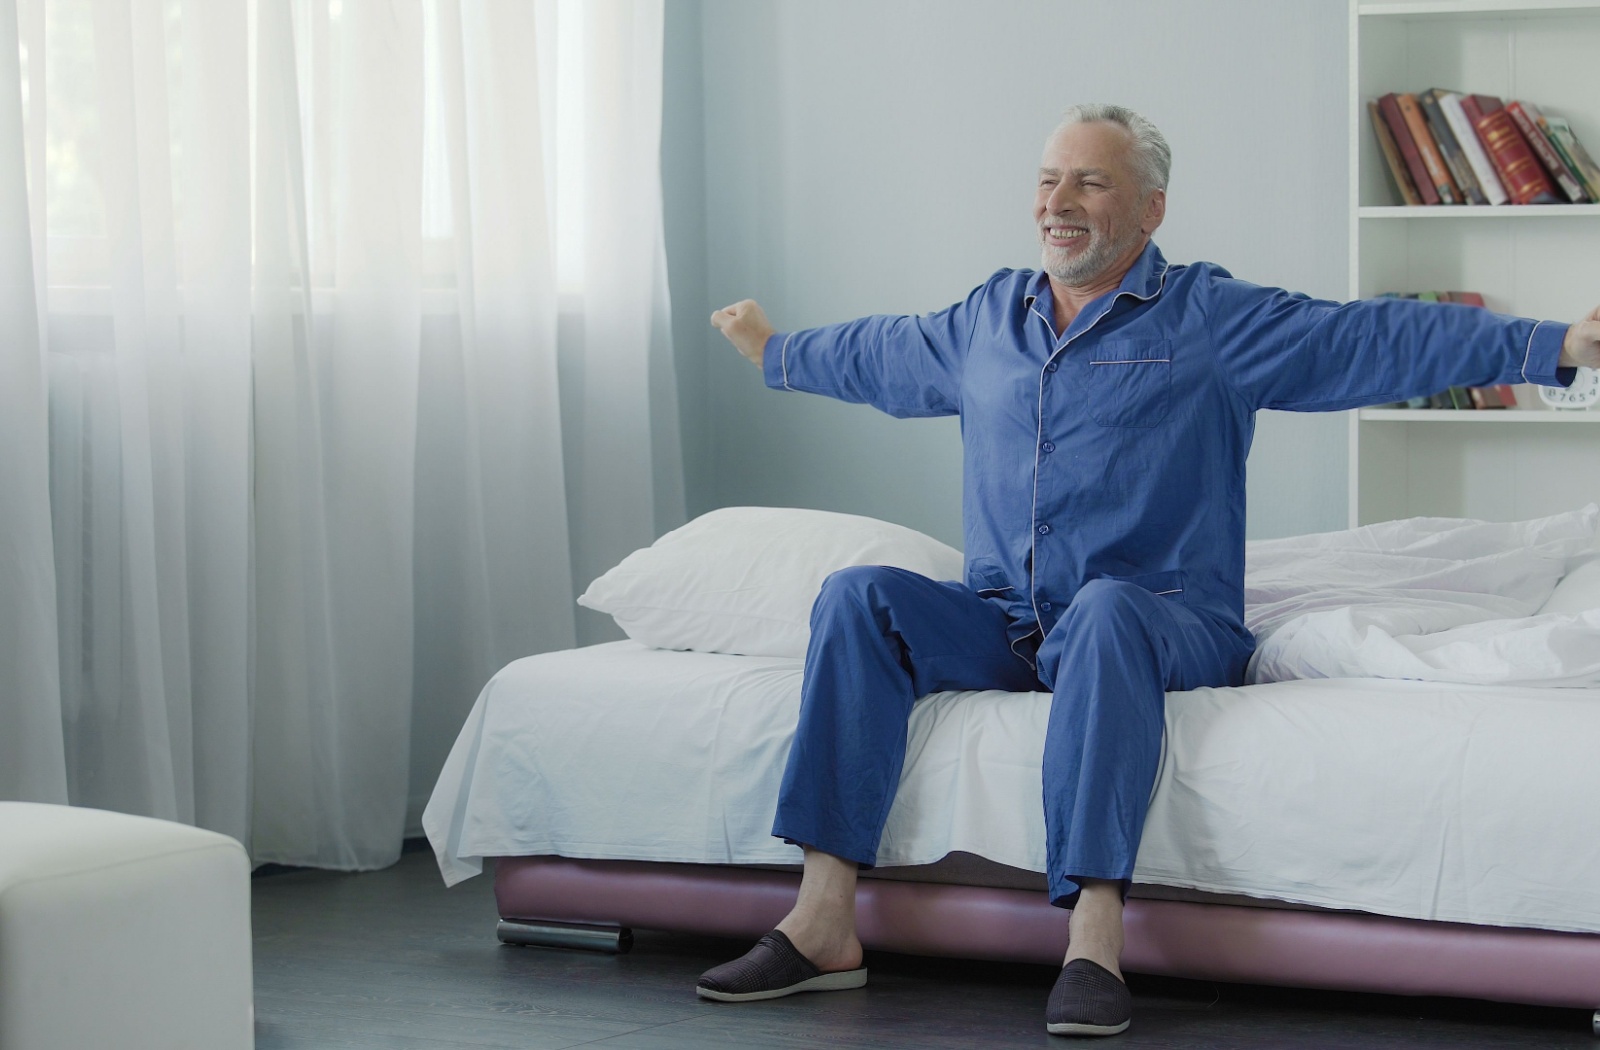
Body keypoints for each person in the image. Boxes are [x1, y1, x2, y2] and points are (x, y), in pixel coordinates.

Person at [696, 103, 1600, 1037]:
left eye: (1090, 181)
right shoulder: (987, 320)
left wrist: (1551, 347)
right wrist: (776, 351)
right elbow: (879, 353)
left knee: (1105, 611)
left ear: (1150, 210)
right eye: (1049, 179)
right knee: (860, 596)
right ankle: (823, 920)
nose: (1060, 200)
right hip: (1009, 618)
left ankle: (1093, 938)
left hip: (1165, 617)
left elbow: (1364, 338)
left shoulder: (1208, 316)